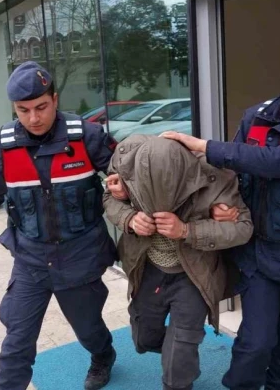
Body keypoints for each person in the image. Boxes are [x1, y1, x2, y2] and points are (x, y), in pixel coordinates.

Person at [161, 33, 280, 390]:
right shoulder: (257, 116)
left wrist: (204, 146)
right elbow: (233, 175)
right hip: (260, 255)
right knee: (255, 344)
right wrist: (223, 207)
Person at [0, 61, 119, 390]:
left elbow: (128, 177)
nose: (33, 118)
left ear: (55, 99)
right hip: (31, 258)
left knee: (88, 327)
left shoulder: (87, 136)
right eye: (23, 110)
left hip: (80, 255)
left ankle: (103, 355)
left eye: (41, 107)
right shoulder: (2, 144)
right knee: (17, 340)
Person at [102, 135, 253, 390]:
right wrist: (130, 218)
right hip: (148, 267)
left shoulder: (216, 175)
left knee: (180, 351)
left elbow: (243, 228)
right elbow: (109, 198)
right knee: (144, 338)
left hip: (193, 273)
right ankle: (178, 351)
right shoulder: (125, 159)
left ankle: (180, 365)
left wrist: (187, 230)